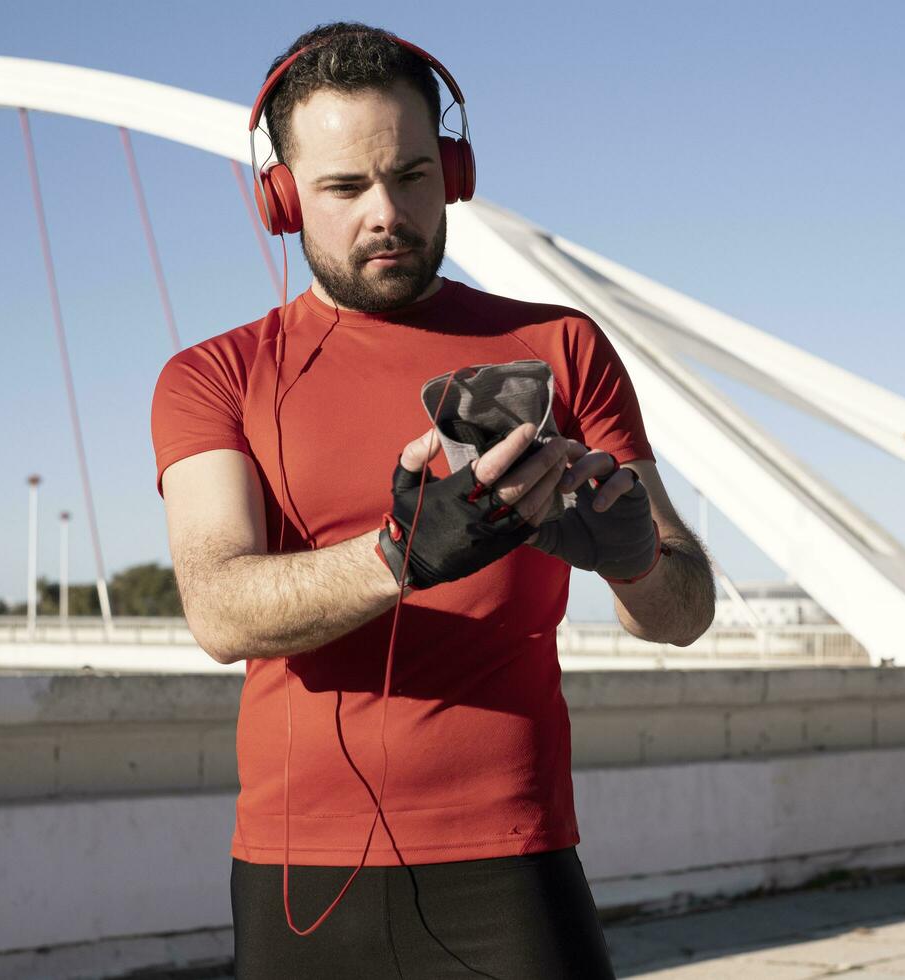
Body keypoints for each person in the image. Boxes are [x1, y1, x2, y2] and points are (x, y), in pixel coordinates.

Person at [150, 21, 715, 978]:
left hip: (514, 859)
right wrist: (398, 555)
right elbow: (219, 608)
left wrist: (634, 559)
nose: (387, 212)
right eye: (343, 187)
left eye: (412, 175)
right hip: (299, 877)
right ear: (282, 199)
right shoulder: (214, 374)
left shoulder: (562, 345)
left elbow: (684, 613)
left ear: (452, 171)